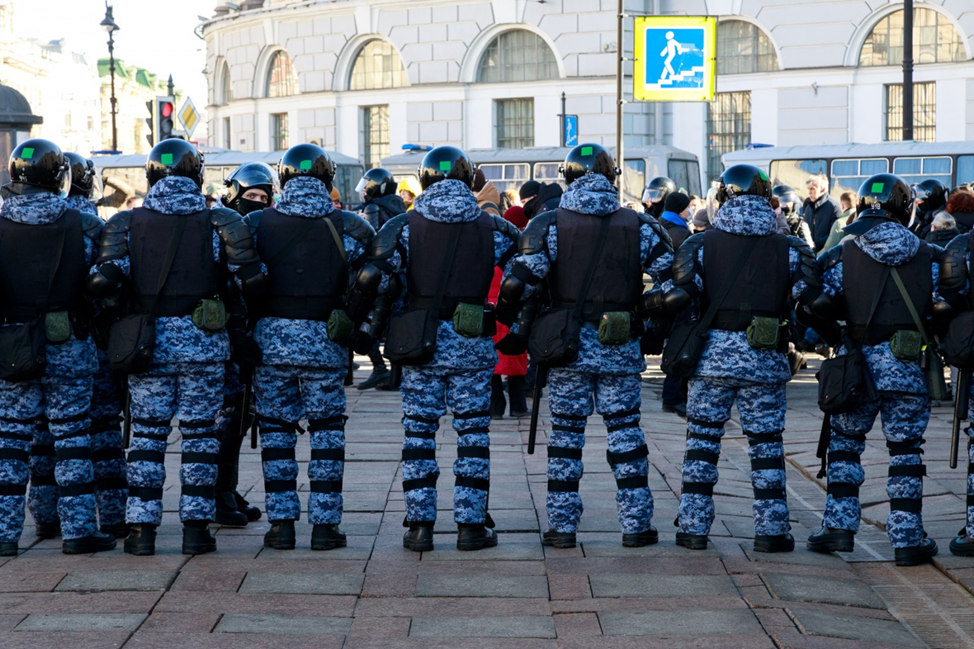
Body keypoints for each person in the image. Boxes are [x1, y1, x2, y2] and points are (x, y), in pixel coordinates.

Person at [89, 138, 266, 556]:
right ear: (197, 175)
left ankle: (141, 531)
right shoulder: (220, 220)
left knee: (147, 438)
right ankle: (195, 530)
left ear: (151, 175)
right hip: (204, 345)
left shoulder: (125, 223)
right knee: (200, 437)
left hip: (146, 345)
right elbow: (252, 281)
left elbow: (102, 283)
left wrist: (120, 322)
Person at [497, 143, 677, 549]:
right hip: (619, 343)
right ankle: (636, 525)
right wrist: (643, 316)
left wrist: (511, 323)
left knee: (565, 436)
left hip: (567, 345)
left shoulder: (549, 223)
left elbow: (517, 283)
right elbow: (676, 283)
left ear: (568, 178)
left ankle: (562, 527)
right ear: (612, 177)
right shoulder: (639, 224)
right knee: (626, 433)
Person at [353, 146, 519, 552]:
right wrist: (505, 318)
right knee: (473, 435)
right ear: (468, 179)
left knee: (418, 434)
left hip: (419, 343)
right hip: (471, 341)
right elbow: (523, 277)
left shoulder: (403, 226)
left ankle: (420, 526)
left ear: (424, 180)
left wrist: (371, 324)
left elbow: (376, 278)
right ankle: (470, 526)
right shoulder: (493, 227)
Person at [669, 164, 819, 553]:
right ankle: (772, 531)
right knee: (766, 446)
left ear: (722, 198)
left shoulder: (699, 244)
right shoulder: (792, 248)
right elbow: (811, 302)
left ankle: (693, 528)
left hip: (711, 360)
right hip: (765, 359)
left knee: (702, 442)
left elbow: (681, 294)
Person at [806, 173, 944, 566]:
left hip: (857, 369)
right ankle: (907, 539)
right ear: (906, 209)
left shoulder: (840, 255)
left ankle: (838, 528)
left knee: (845, 447)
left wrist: (833, 337)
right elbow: (947, 306)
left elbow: (813, 305)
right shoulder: (931, 256)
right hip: (908, 367)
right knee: (906, 451)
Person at [248, 144, 374, 551]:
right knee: (327, 434)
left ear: (283, 178)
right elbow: (375, 279)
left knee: (276, 434)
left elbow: (238, 277)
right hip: (326, 343)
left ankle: (281, 525)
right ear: (328, 178)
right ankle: (325, 527)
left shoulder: (256, 222)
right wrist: (356, 323)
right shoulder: (350, 225)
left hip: (271, 345)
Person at [0, 139, 116, 556]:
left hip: (13, 346)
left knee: (10, 441)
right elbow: (105, 288)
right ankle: (79, 532)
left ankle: (4, 534)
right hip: (69, 342)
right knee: (72, 438)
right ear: (59, 177)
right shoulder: (84, 225)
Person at [34, 152, 129, 541]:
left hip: (28, 344)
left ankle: (45, 515)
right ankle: (112, 515)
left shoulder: (25, 221)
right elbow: (112, 288)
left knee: (43, 434)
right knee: (101, 431)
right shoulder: (93, 227)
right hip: (90, 343)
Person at [212, 161, 278, 527]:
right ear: (234, 195)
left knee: (241, 414)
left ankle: (226, 487)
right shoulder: (218, 226)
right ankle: (217, 492)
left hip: (245, 331)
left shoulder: (260, 228)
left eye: (263, 198)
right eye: (251, 195)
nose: (257, 202)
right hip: (221, 334)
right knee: (228, 415)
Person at [357, 168, 406, 391]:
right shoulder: (397, 205)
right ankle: (395, 376)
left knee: (367, 319)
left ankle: (379, 368)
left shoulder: (373, 207)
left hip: (382, 272)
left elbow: (373, 239)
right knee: (397, 323)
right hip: (402, 273)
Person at [489, 208, 530, 420]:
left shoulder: (496, 249)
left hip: (492, 313)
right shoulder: (520, 250)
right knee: (515, 359)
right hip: (512, 313)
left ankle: (495, 407)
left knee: (493, 361)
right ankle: (518, 405)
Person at [357, 167, 406, 232]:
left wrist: (360, 222)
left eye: (367, 186)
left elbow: (371, 235)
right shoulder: (396, 205)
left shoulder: (372, 208)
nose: (364, 189)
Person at [802, 174, 841, 250]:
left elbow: (836, 234)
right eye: (808, 189)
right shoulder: (809, 208)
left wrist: (816, 244)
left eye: (812, 189)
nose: (809, 193)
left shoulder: (834, 206)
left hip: (827, 252)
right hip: (810, 251)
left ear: (823, 189)